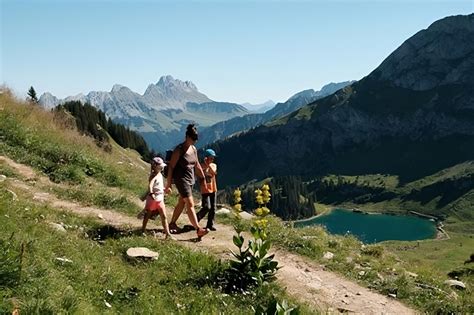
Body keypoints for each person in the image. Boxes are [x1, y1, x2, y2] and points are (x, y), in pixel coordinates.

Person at [165, 124, 208, 238]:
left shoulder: (193, 149)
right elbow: (171, 167)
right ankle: (198, 229)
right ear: (187, 137)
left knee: (182, 202)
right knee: (190, 203)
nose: (194, 141)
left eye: (196, 139)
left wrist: (203, 178)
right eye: (193, 138)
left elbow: (196, 164)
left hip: (190, 180)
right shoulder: (179, 150)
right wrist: (168, 184)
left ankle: (172, 223)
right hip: (181, 180)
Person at [140, 157, 173, 239]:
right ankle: (142, 230)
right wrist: (151, 193)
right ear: (155, 166)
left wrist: (165, 189)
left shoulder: (160, 175)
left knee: (164, 216)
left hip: (159, 199)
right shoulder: (153, 175)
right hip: (153, 199)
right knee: (147, 215)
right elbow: (150, 185)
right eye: (160, 166)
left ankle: (168, 234)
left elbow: (158, 187)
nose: (162, 167)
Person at [196, 149, 218, 231]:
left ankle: (210, 225)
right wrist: (204, 165)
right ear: (206, 158)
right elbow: (198, 174)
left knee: (213, 208)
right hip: (205, 190)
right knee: (206, 207)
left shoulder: (213, 165)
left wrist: (208, 165)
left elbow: (214, 173)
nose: (212, 160)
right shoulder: (200, 167)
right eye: (211, 158)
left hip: (213, 189)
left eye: (213, 158)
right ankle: (196, 219)